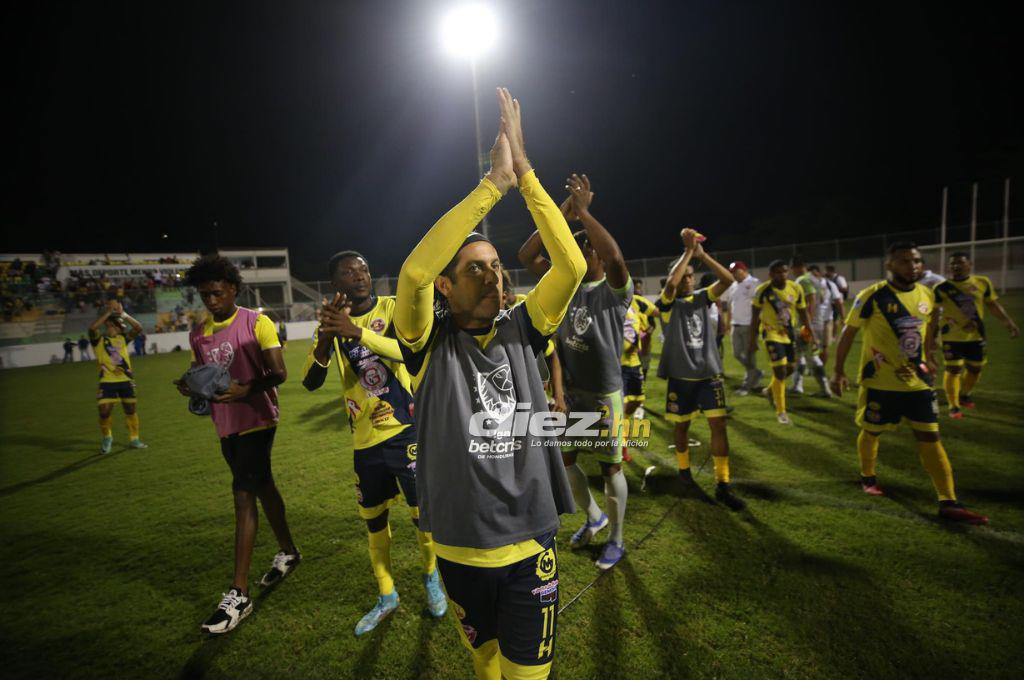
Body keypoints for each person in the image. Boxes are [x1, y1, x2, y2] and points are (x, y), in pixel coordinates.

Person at [394, 88, 584, 680]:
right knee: (485, 666)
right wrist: (490, 188)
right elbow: (415, 271)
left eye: (496, 266)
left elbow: (571, 266)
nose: (493, 274)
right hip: (458, 546)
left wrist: (524, 171)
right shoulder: (426, 343)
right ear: (447, 289)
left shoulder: (525, 327)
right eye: (474, 268)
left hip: (531, 544)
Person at [301, 250, 446, 636]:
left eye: (364, 268)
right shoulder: (332, 325)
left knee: (423, 516)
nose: (360, 275)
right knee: (374, 522)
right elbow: (311, 381)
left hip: (406, 430)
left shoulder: (394, 307)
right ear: (336, 284)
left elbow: (411, 351)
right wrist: (325, 339)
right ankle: (387, 594)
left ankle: (431, 578)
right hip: (364, 442)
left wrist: (358, 333)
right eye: (349, 272)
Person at [175, 254, 301, 635]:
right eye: (204, 295)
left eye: (216, 293)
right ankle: (289, 551)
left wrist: (248, 388)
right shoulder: (198, 333)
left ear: (232, 288)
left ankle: (238, 593)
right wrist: (191, 387)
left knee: (243, 494)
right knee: (262, 485)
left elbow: (279, 372)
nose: (211, 301)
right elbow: (205, 378)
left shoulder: (256, 323)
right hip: (225, 424)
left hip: (258, 418)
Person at [519, 172, 632, 571]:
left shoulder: (614, 292)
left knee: (610, 466)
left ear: (596, 256)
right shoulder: (563, 287)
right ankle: (594, 517)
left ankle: (616, 539)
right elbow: (526, 257)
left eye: (588, 249)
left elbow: (616, 259)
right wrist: (563, 219)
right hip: (570, 395)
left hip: (604, 393)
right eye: (580, 248)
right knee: (566, 466)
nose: (583, 253)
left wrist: (585, 214)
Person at [831, 242, 988, 525]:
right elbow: (847, 333)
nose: (912, 266)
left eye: (915, 260)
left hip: (917, 383)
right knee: (871, 432)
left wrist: (929, 354)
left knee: (931, 437)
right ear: (889, 265)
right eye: (904, 261)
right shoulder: (873, 296)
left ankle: (948, 501)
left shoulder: (927, 294)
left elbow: (927, 327)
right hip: (881, 382)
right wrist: (838, 371)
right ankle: (868, 476)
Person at [657, 230, 745, 510]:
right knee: (681, 427)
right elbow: (671, 284)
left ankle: (723, 483)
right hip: (681, 379)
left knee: (718, 425)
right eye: (685, 275)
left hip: (708, 375)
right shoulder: (667, 303)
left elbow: (728, 280)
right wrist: (687, 251)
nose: (688, 280)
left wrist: (701, 254)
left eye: (691, 276)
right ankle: (684, 472)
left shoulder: (702, 298)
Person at [934, 251, 1019, 417]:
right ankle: (954, 405)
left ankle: (964, 394)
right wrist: (932, 336)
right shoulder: (941, 288)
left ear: (969, 264)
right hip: (952, 336)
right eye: (952, 264)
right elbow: (934, 313)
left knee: (975, 368)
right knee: (953, 369)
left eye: (960, 262)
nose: (956, 266)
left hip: (976, 335)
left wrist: (1008, 322)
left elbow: (992, 305)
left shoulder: (982, 283)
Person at [749, 260, 815, 424]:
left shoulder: (796, 288)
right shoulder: (763, 291)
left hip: (789, 333)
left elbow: (803, 311)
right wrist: (752, 339)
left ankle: (770, 390)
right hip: (771, 333)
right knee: (779, 371)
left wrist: (812, 332)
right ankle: (781, 413)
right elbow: (755, 316)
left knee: (790, 368)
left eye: (784, 272)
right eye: (778, 272)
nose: (782, 275)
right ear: (770, 274)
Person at [89, 300, 147, 453]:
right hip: (107, 381)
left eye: (111, 326)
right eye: (107, 326)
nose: (109, 329)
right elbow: (92, 328)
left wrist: (123, 314)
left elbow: (138, 327)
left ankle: (134, 439)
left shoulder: (122, 339)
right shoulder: (99, 341)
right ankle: (107, 437)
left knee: (130, 410)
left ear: (117, 327)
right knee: (104, 411)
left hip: (126, 381)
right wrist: (108, 312)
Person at [720, 261, 762, 395]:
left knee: (750, 355)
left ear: (744, 270)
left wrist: (756, 326)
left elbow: (758, 306)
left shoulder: (754, 283)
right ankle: (755, 373)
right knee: (737, 353)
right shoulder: (733, 286)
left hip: (748, 324)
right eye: (732, 272)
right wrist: (727, 323)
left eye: (736, 271)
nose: (734, 275)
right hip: (735, 324)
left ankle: (748, 385)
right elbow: (730, 305)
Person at [790, 259, 831, 397]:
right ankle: (797, 385)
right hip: (816, 322)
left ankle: (825, 389)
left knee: (811, 356)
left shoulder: (802, 279)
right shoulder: (816, 279)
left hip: (808, 325)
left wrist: (807, 324)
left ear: (795, 268)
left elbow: (811, 299)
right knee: (801, 354)